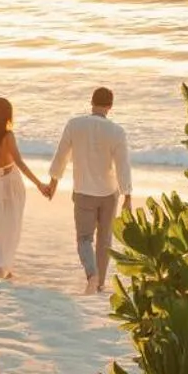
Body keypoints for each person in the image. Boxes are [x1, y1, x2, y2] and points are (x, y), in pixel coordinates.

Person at [46, 87, 134, 294]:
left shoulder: (74, 125)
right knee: (104, 239)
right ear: (110, 106)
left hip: (83, 191)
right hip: (109, 193)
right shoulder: (117, 131)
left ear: (91, 102)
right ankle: (101, 282)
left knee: (84, 239)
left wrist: (53, 184)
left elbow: (61, 157)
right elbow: (123, 166)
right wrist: (127, 196)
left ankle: (91, 275)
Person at [0, 97, 49, 279]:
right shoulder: (7, 136)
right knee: (11, 225)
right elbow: (19, 162)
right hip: (10, 181)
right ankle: (2, 266)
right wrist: (39, 184)